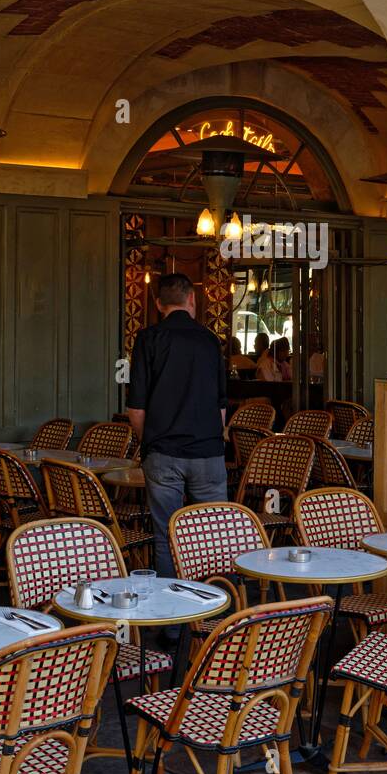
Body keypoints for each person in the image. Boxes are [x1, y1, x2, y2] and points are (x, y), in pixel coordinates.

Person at [126, 273, 228, 640]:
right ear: (192, 300)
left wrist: (150, 442)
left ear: (157, 303)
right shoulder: (210, 341)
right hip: (208, 453)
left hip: (164, 453)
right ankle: (214, 619)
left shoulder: (148, 339)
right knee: (213, 535)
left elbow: (136, 408)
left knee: (166, 536)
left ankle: (171, 622)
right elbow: (220, 409)